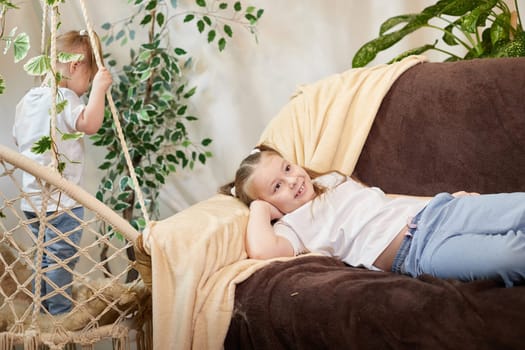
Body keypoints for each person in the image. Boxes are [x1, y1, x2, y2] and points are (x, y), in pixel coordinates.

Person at [220, 144, 525, 287]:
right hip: (419, 253)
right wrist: (259, 209)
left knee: (519, 209)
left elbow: (386, 198)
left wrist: (442, 198)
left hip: (440, 213)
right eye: (277, 187)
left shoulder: (331, 182)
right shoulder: (292, 229)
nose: (293, 181)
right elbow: (261, 251)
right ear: (269, 204)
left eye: (287, 168)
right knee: (509, 257)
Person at [12, 30, 112, 314]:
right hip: (62, 203)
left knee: (43, 259)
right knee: (60, 259)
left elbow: (19, 138)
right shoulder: (66, 98)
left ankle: (40, 310)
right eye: (88, 79)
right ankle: (58, 313)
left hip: (31, 200)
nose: (86, 86)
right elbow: (90, 124)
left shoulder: (28, 100)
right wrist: (99, 90)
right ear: (75, 66)